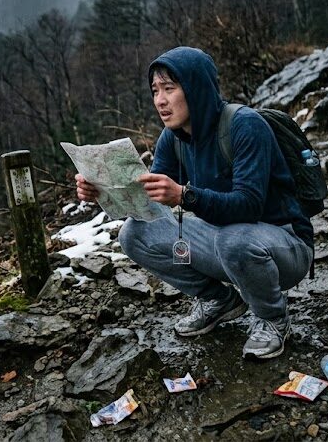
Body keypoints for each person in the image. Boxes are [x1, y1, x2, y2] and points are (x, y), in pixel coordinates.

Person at [75, 47, 314, 359]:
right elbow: (149, 202)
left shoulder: (245, 125)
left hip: (284, 247)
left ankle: (271, 317)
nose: (160, 100)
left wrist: (185, 196)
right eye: (155, 90)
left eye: (170, 89)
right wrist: (101, 190)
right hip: (226, 243)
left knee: (234, 239)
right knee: (135, 234)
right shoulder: (172, 138)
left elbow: (249, 206)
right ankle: (219, 300)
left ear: (196, 88)